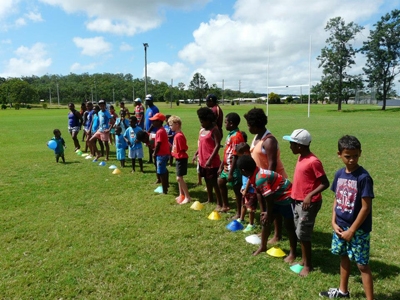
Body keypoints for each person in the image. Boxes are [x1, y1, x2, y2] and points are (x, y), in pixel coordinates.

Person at [319, 135, 374, 299]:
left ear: (360, 153)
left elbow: (366, 208)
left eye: (355, 156)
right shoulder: (339, 174)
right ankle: (343, 291)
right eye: (347, 156)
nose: (351, 160)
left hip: (358, 230)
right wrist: (333, 221)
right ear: (339, 154)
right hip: (340, 227)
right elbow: (336, 199)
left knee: (362, 265)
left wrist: (352, 230)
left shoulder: (364, 178)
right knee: (343, 257)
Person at [283, 129, 330, 276]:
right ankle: (303, 260)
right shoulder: (301, 157)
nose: (290, 146)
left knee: (304, 234)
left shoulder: (313, 161)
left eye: (291, 144)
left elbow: (325, 183)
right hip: (297, 201)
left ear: (299, 145)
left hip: (308, 204)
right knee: (299, 231)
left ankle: (308, 266)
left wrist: (309, 195)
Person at [237, 155, 297, 262]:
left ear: (243, 170)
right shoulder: (253, 175)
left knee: (289, 226)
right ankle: (263, 246)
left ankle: (293, 253)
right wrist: (264, 211)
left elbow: (268, 198)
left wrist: (269, 213)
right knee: (265, 221)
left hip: (287, 197)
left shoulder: (260, 178)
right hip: (275, 197)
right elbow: (260, 193)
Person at [244, 108, 287, 244]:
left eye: (249, 125)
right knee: (265, 208)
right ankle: (266, 230)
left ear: (257, 125)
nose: (248, 128)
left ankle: (277, 234)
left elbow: (272, 165)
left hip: (272, 181)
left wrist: (267, 184)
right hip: (260, 181)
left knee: (274, 208)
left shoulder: (269, 141)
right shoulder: (257, 137)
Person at [193, 107, 222, 209]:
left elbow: (217, 145)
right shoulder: (202, 131)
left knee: (214, 182)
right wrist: (196, 153)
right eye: (200, 121)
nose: (201, 123)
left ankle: (219, 203)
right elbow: (201, 144)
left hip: (212, 162)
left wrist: (210, 159)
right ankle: (210, 198)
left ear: (209, 120)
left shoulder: (214, 131)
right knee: (206, 180)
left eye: (203, 121)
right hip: (202, 161)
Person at [218, 112, 245, 216]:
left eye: (226, 122)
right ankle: (225, 205)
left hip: (234, 168)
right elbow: (226, 152)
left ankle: (239, 213)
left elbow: (236, 155)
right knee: (220, 181)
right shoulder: (230, 135)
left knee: (237, 190)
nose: (224, 124)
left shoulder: (236, 137)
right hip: (226, 166)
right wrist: (221, 166)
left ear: (231, 124)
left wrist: (231, 172)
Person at [236, 142, 258, 233]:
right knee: (244, 204)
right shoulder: (244, 161)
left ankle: (251, 224)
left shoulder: (249, 163)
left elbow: (250, 178)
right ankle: (241, 218)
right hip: (245, 188)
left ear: (245, 153)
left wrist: (246, 189)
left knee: (250, 208)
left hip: (251, 190)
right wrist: (243, 187)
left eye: (239, 156)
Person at [168, 115, 191, 204]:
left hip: (181, 159)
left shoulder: (179, 136)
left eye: (171, 125)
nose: (170, 127)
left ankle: (187, 197)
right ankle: (181, 194)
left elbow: (184, 147)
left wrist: (177, 152)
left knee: (179, 178)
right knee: (179, 177)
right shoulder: (176, 135)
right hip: (178, 158)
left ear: (177, 124)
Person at [150, 113, 170, 194]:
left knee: (161, 172)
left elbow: (158, 144)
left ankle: (164, 190)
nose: (152, 123)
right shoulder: (161, 130)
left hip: (161, 155)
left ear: (159, 121)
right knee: (164, 170)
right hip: (165, 153)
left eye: (154, 121)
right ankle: (166, 185)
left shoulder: (160, 131)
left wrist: (154, 153)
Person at [144, 94, 159, 164]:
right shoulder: (147, 109)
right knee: (149, 145)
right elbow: (146, 120)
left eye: (149, 101)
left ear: (152, 101)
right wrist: (145, 128)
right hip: (148, 130)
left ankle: (155, 159)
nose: (147, 102)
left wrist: (149, 130)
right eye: (146, 101)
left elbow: (155, 121)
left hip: (153, 131)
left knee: (153, 145)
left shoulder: (155, 109)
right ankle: (150, 159)